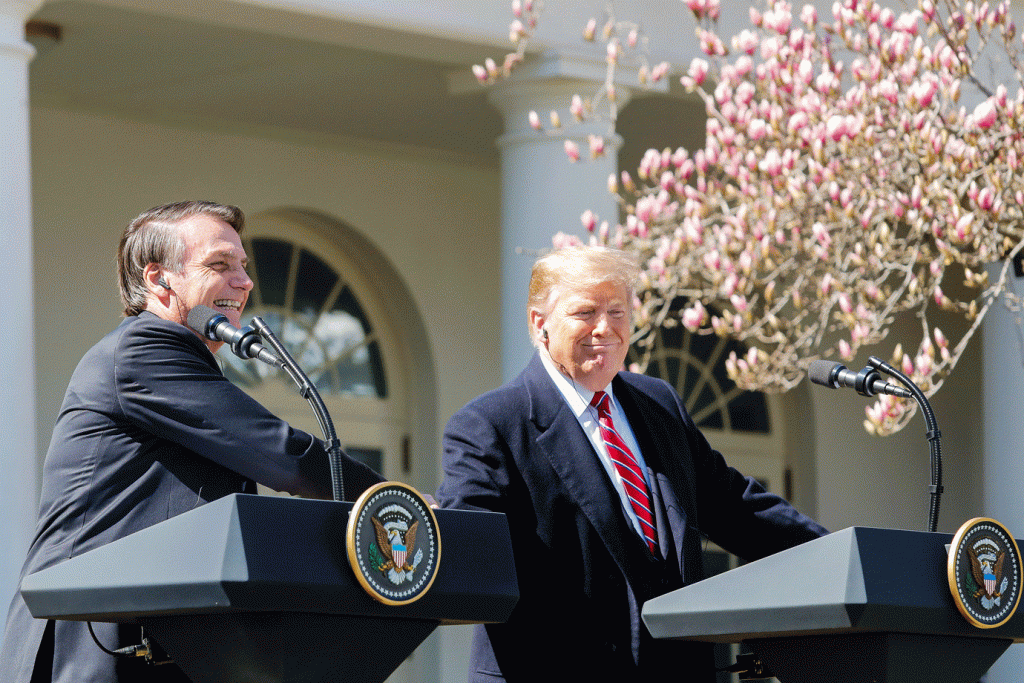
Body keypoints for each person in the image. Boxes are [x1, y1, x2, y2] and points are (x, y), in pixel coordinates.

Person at [0, 201, 383, 682]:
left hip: (152, 639)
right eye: (220, 265)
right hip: (90, 644)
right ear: (159, 279)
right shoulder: (143, 351)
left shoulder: (178, 361)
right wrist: (390, 505)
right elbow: (281, 452)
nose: (244, 282)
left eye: (243, 267)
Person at [437, 245, 828, 682]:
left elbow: (735, 505)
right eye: (585, 312)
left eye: (618, 312)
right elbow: (470, 553)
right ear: (539, 324)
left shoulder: (658, 404)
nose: (605, 328)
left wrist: (837, 554)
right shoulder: (489, 427)